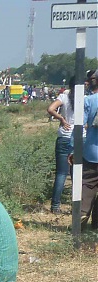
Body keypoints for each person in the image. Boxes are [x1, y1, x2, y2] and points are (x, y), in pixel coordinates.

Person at [47, 77, 77, 214]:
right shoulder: (85, 97)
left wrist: (61, 119)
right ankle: (77, 205)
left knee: (61, 174)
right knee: (76, 174)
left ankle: (55, 206)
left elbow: (51, 108)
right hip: (79, 138)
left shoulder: (64, 96)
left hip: (64, 136)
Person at [79, 72, 98, 228]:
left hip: (91, 153)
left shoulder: (89, 101)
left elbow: (79, 128)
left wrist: (73, 149)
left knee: (87, 187)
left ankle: (81, 221)